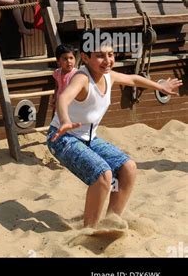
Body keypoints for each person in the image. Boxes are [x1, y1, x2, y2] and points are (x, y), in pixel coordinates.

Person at [47, 35, 182, 228]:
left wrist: (159, 86)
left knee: (129, 168)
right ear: (85, 58)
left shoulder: (109, 76)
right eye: (100, 56)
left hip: (88, 138)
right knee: (104, 175)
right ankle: (89, 230)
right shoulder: (82, 78)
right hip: (62, 137)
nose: (108, 60)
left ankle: (111, 220)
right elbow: (63, 99)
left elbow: (133, 79)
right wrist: (65, 120)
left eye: (111, 54)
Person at [50, 44, 78, 110]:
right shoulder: (57, 73)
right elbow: (57, 86)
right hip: (60, 104)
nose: (69, 61)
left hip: (73, 105)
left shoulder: (77, 74)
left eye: (71, 58)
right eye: (65, 59)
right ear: (58, 61)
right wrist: (54, 98)